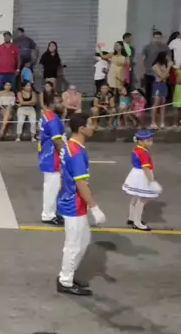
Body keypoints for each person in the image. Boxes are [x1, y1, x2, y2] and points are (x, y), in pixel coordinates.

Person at [56, 113, 106, 296]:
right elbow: (80, 183)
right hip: (74, 204)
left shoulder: (70, 146)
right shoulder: (76, 152)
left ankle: (68, 274)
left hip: (71, 200)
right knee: (74, 245)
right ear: (82, 129)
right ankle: (65, 281)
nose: (93, 127)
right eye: (91, 124)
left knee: (83, 240)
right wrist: (94, 208)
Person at [122, 130, 162, 232]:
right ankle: (137, 222)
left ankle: (131, 218)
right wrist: (152, 181)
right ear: (140, 142)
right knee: (142, 200)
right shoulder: (143, 152)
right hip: (141, 176)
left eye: (151, 140)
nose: (151, 143)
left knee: (135, 198)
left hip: (135, 174)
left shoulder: (136, 149)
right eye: (148, 141)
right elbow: (146, 168)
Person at [38, 96, 66, 226]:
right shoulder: (53, 120)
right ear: (51, 104)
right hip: (53, 157)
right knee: (52, 187)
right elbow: (57, 140)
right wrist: (64, 156)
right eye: (59, 102)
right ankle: (48, 215)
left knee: (52, 186)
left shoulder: (46, 116)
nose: (63, 104)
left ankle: (51, 212)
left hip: (46, 154)